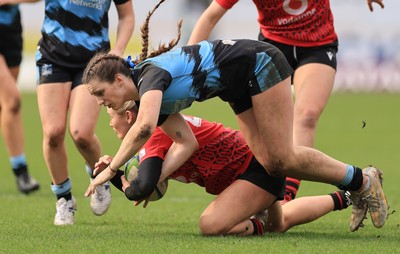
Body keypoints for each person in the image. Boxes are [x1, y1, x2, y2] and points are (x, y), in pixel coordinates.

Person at [83, 0, 388, 233]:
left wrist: (113, 169)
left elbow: (144, 127)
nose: (99, 103)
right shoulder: (152, 94)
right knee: (271, 163)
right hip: (238, 86)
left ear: (120, 81)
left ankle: (361, 180)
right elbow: (186, 143)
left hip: (259, 63)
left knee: (281, 157)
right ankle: (350, 190)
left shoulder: (150, 78)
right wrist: (154, 179)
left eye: (100, 94)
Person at [186, 0, 385, 204]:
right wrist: (189, 66)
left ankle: (287, 196)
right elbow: (211, 15)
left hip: (317, 46)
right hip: (273, 50)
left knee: (307, 116)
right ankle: (266, 190)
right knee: (264, 133)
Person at [100, 101, 353, 236]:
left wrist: (114, 176)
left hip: (254, 169)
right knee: (282, 221)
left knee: (210, 225)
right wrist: (119, 175)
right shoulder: (157, 129)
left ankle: (263, 216)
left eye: (110, 115)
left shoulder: (153, 136)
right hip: (247, 171)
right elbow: (149, 184)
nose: (110, 123)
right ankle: (346, 196)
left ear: (130, 117)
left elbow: (145, 188)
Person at [2, 0, 135, 225]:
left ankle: (99, 177)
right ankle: (64, 199)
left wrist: (118, 49)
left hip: (93, 61)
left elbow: (127, 16)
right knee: (53, 133)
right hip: (51, 56)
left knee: (81, 133)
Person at [0, 4, 40, 194]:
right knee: (12, 100)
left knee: (6, 107)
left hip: (11, 32)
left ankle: (20, 171)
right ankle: (21, 171)